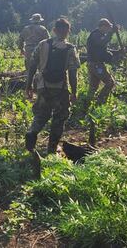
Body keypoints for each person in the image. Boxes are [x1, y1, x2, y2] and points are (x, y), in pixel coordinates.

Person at [24, 18, 80, 155]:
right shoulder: (70, 49)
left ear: (54, 30)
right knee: (60, 117)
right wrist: (74, 92)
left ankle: (32, 132)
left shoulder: (43, 44)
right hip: (60, 87)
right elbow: (73, 73)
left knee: (41, 113)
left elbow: (32, 65)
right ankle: (52, 149)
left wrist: (29, 85)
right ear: (68, 31)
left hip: (43, 85)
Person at [85, 18, 120, 105]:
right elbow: (101, 43)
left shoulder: (100, 35)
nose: (109, 29)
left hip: (94, 64)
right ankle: (100, 102)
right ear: (103, 26)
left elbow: (104, 50)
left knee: (93, 87)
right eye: (108, 27)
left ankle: (85, 105)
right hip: (96, 64)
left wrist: (118, 52)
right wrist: (111, 33)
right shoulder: (96, 35)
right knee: (110, 82)